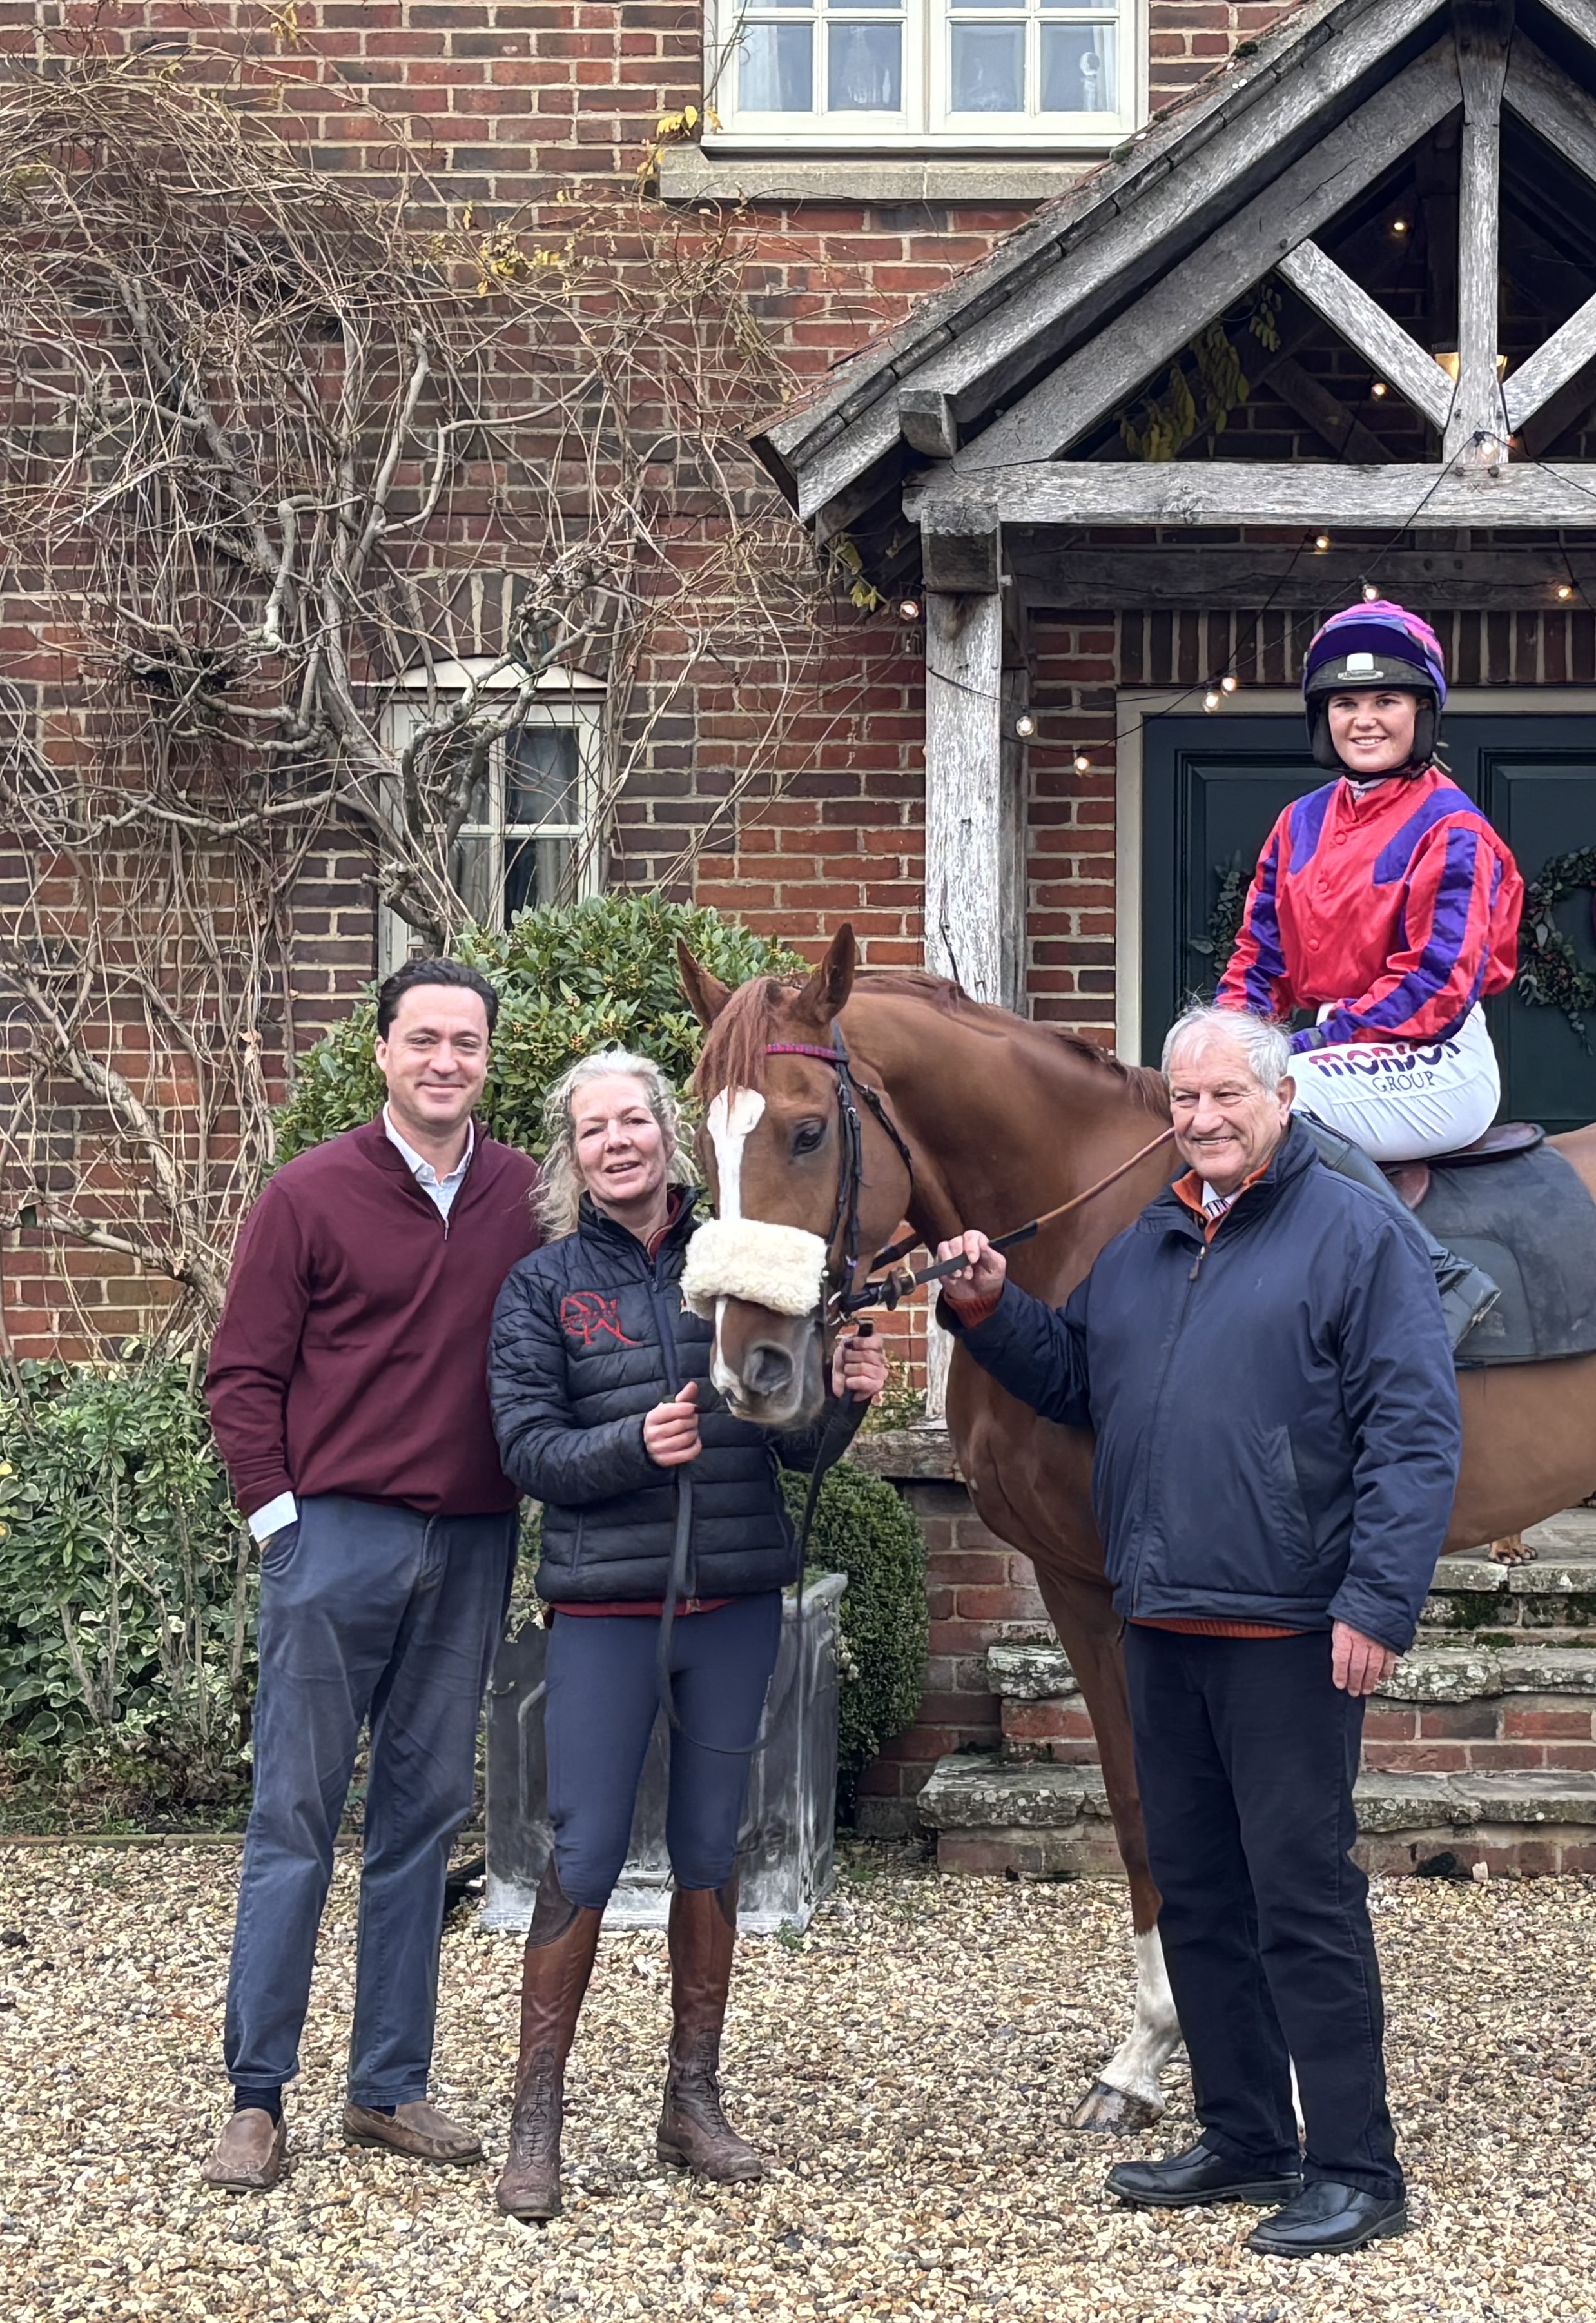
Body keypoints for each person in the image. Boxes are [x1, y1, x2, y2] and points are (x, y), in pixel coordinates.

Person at [930, 1002, 1461, 2260]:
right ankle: (1243, 2136)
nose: (1204, 1120)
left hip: (1287, 1627)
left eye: (1228, 1097)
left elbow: (1416, 1434)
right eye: (1184, 1100)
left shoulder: (1354, 1234)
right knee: (1202, 1892)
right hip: (1159, 1617)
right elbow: (1076, 1383)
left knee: (1303, 1897)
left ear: (1282, 1101)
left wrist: (1377, 1604)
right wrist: (994, 1307)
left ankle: (1354, 2165)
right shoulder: (1155, 1239)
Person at [483, 1048, 891, 2222]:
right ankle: (537, 2118)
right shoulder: (543, 1286)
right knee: (588, 1845)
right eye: (593, 1127)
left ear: (669, 1132)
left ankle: (691, 2097)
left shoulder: (744, 1260)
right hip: (605, 1610)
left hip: (735, 1599)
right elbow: (524, 1447)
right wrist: (627, 1449)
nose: (619, 1140)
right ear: (574, 1152)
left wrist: (847, 1391)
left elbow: (793, 1442)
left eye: (635, 1120)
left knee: (715, 1842)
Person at [200, 956, 545, 2192]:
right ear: (381, 1051)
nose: (445, 1060)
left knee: (421, 1817)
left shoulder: (524, 1194)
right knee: (293, 1813)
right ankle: (256, 2095)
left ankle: (388, 2084)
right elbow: (241, 1373)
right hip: (333, 1535)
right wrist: (280, 1524)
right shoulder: (308, 1193)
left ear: (487, 1060)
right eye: (423, 1040)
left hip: (469, 1540)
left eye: (467, 1042)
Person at [1216, 597, 1523, 1344]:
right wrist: (1224, 1040)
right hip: (1339, 1046)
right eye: (1347, 702)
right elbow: (1260, 960)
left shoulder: (1454, 829)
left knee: (1280, 1098)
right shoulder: (1299, 823)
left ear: (1424, 713)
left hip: (1435, 1054)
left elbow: (1434, 989)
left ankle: (1441, 1272)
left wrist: (1297, 1050)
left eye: (1387, 699)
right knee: (1209, 1093)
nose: (1366, 719)